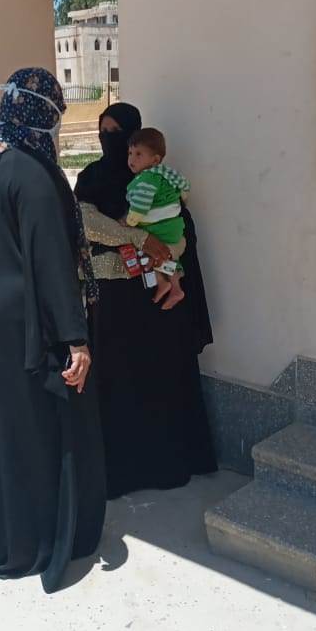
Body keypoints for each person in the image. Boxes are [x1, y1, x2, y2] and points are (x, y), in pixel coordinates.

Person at [0, 67, 105, 592]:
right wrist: (76, 339)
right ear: (45, 115)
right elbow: (52, 264)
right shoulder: (33, 173)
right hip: (21, 329)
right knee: (35, 432)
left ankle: (7, 535)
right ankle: (36, 541)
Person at [75, 103, 217, 500]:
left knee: (161, 376)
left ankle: (170, 464)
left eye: (117, 132)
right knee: (117, 380)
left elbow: (180, 223)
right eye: (103, 131)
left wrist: (168, 257)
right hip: (113, 298)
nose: (109, 139)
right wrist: (138, 238)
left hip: (155, 296)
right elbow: (85, 223)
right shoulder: (92, 177)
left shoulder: (153, 177)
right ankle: (121, 473)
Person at [125, 126, 190, 307]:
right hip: (173, 225)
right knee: (168, 257)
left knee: (149, 253)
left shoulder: (147, 179)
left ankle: (164, 283)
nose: (131, 159)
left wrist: (130, 222)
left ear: (155, 160)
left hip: (159, 227)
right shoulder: (166, 175)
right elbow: (183, 193)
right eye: (130, 153)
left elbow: (140, 205)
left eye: (139, 154)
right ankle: (173, 286)